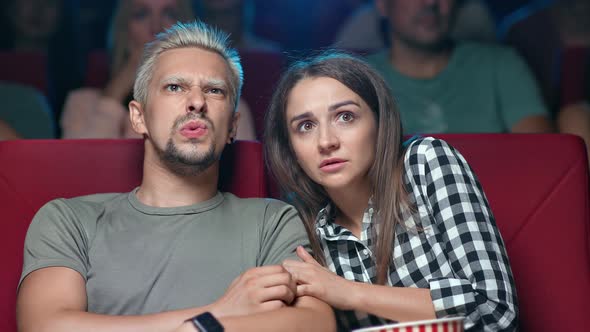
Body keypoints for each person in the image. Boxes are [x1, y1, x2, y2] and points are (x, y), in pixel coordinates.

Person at [17, 21, 335, 332]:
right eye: (174, 87)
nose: (196, 102)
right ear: (138, 117)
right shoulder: (68, 219)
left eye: (214, 90)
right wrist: (215, 315)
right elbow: (45, 325)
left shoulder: (272, 221)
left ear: (233, 127)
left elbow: (316, 323)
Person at [264, 52, 518, 331]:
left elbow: (495, 311)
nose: (326, 141)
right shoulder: (297, 221)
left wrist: (349, 292)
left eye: (345, 116)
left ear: (379, 121)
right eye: (306, 126)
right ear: (290, 148)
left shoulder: (425, 162)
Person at [61, 0, 256, 140]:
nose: (156, 27)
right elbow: (79, 176)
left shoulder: (227, 107)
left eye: (170, 14)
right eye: (141, 14)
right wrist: (115, 93)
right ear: (123, 30)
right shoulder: (82, 104)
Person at [364, 0, 553, 134]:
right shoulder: (360, 79)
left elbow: (541, 157)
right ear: (382, 4)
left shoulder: (500, 64)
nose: (431, 2)